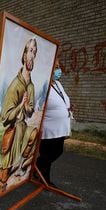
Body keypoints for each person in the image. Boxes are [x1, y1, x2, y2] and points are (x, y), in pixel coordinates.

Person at [0, 37, 38, 187]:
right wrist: (21, 105)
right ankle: (1, 168)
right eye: (30, 51)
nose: (32, 55)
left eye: (34, 52)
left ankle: (20, 165)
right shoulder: (15, 85)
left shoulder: (31, 86)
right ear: (24, 54)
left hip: (23, 127)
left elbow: (30, 112)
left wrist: (27, 106)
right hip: (14, 130)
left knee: (34, 134)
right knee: (2, 178)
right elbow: (5, 117)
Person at [36, 59, 73, 188]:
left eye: (58, 66)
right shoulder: (42, 85)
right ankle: (44, 178)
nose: (59, 70)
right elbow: (37, 106)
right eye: (56, 67)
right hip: (48, 128)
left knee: (58, 151)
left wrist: (67, 107)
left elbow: (62, 98)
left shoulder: (57, 84)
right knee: (49, 154)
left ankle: (38, 171)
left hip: (60, 128)